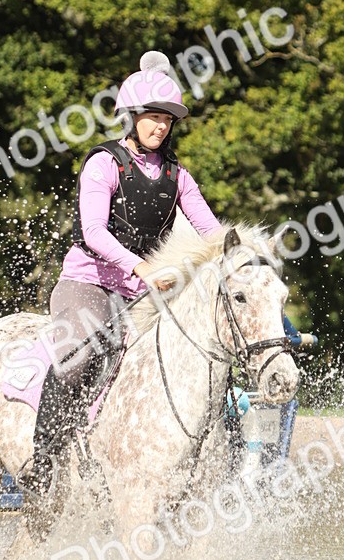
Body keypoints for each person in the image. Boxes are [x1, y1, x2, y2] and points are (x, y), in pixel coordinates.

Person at [24, 50, 223, 493]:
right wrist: (142, 266)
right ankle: (43, 461)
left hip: (142, 292)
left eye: (167, 119)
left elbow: (212, 233)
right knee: (78, 354)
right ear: (132, 117)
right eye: (152, 117)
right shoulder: (104, 163)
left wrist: (243, 254)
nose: (159, 126)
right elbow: (92, 231)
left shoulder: (178, 176)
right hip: (88, 284)